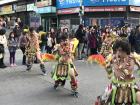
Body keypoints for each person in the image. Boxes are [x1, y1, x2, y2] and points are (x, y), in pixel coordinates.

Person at [95, 40, 140, 105]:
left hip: (131, 86)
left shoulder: (133, 58)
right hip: (116, 86)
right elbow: (108, 68)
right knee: (107, 101)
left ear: (126, 50)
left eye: (121, 50)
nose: (118, 53)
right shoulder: (113, 58)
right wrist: (109, 72)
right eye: (117, 50)